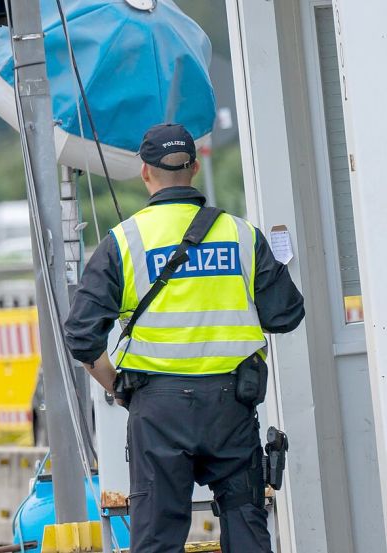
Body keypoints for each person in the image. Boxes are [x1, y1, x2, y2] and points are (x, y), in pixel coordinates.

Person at [64, 123, 305, 553]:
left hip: (157, 410)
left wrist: (117, 386)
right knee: (247, 527)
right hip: (232, 404)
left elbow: (82, 338)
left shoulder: (122, 243)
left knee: (157, 538)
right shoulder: (241, 235)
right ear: (194, 168)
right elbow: (286, 314)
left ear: (144, 173)